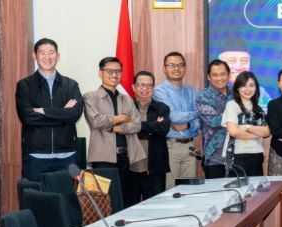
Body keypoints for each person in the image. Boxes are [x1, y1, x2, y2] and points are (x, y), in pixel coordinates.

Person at [15, 38, 84, 182]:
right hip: (35, 157)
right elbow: (27, 117)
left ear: (58, 56)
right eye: (42, 53)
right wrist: (63, 113)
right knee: (34, 195)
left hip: (67, 156)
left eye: (51, 52)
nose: (47, 57)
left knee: (67, 196)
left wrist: (44, 112)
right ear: (35, 56)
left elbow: (75, 114)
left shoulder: (71, 85)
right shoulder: (24, 85)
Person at [83, 57, 146, 205]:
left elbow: (137, 125)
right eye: (109, 71)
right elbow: (95, 121)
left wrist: (114, 127)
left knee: (127, 201)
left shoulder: (127, 99)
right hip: (102, 159)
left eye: (118, 71)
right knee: (104, 203)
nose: (114, 75)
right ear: (100, 73)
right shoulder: (90, 96)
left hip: (127, 158)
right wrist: (121, 118)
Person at [154, 52, 199, 186]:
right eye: (172, 65)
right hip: (170, 147)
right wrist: (196, 113)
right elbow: (173, 116)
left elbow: (202, 120)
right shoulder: (159, 91)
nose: (176, 69)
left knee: (189, 190)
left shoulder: (192, 91)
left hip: (190, 146)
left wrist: (188, 125)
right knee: (170, 189)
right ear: (164, 68)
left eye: (180, 65)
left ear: (185, 67)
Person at [129, 71, 171, 204]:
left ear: (154, 87)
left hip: (155, 164)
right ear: (134, 87)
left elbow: (163, 129)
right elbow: (122, 129)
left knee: (156, 205)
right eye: (141, 85)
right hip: (130, 165)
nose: (145, 89)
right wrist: (153, 125)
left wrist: (135, 126)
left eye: (149, 85)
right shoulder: (126, 107)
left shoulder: (162, 108)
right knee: (130, 206)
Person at [221, 71, 270, 176]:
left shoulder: (259, 109)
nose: (248, 89)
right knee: (237, 186)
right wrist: (258, 132)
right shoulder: (232, 105)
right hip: (237, 156)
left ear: (256, 88)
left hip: (257, 155)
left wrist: (246, 127)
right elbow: (233, 132)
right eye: (244, 85)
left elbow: (267, 132)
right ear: (237, 88)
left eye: (251, 85)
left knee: (256, 187)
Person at [196, 59, 232, 179]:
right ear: (209, 77)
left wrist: (223, 114)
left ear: (228, 75)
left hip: (237, 155)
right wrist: (234, 115)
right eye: (215, 75)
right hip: (214, 157)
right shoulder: (203, 96)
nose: (219, 78)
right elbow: (214, 121)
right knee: (216, 190)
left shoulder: (236, 94)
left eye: (223, 74)